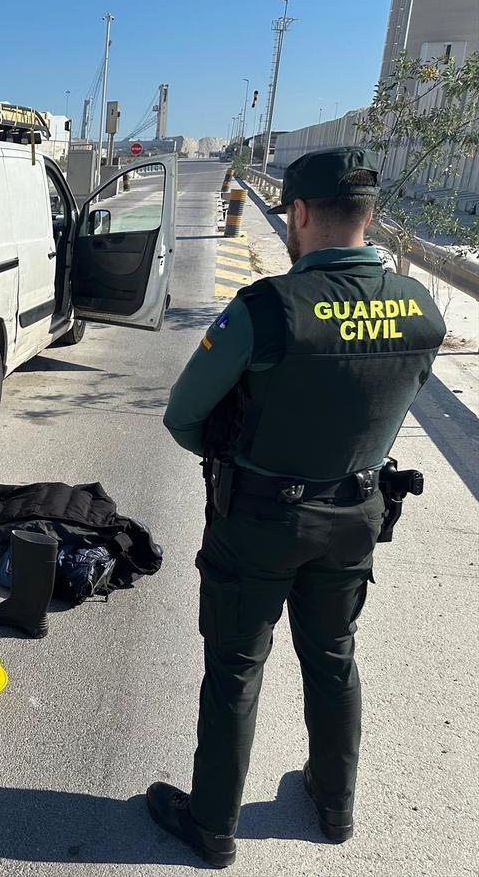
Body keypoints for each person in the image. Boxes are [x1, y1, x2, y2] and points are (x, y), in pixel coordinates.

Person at [151, 147, 446, 868]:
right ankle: (334, 805)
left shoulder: (266, 310)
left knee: (235, 669)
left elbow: (183, 418)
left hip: (259, 519)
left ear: (303, 214)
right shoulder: (421, 308)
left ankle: (213, 826)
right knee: (334, 656)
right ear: (369, 216)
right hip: (357, 515)